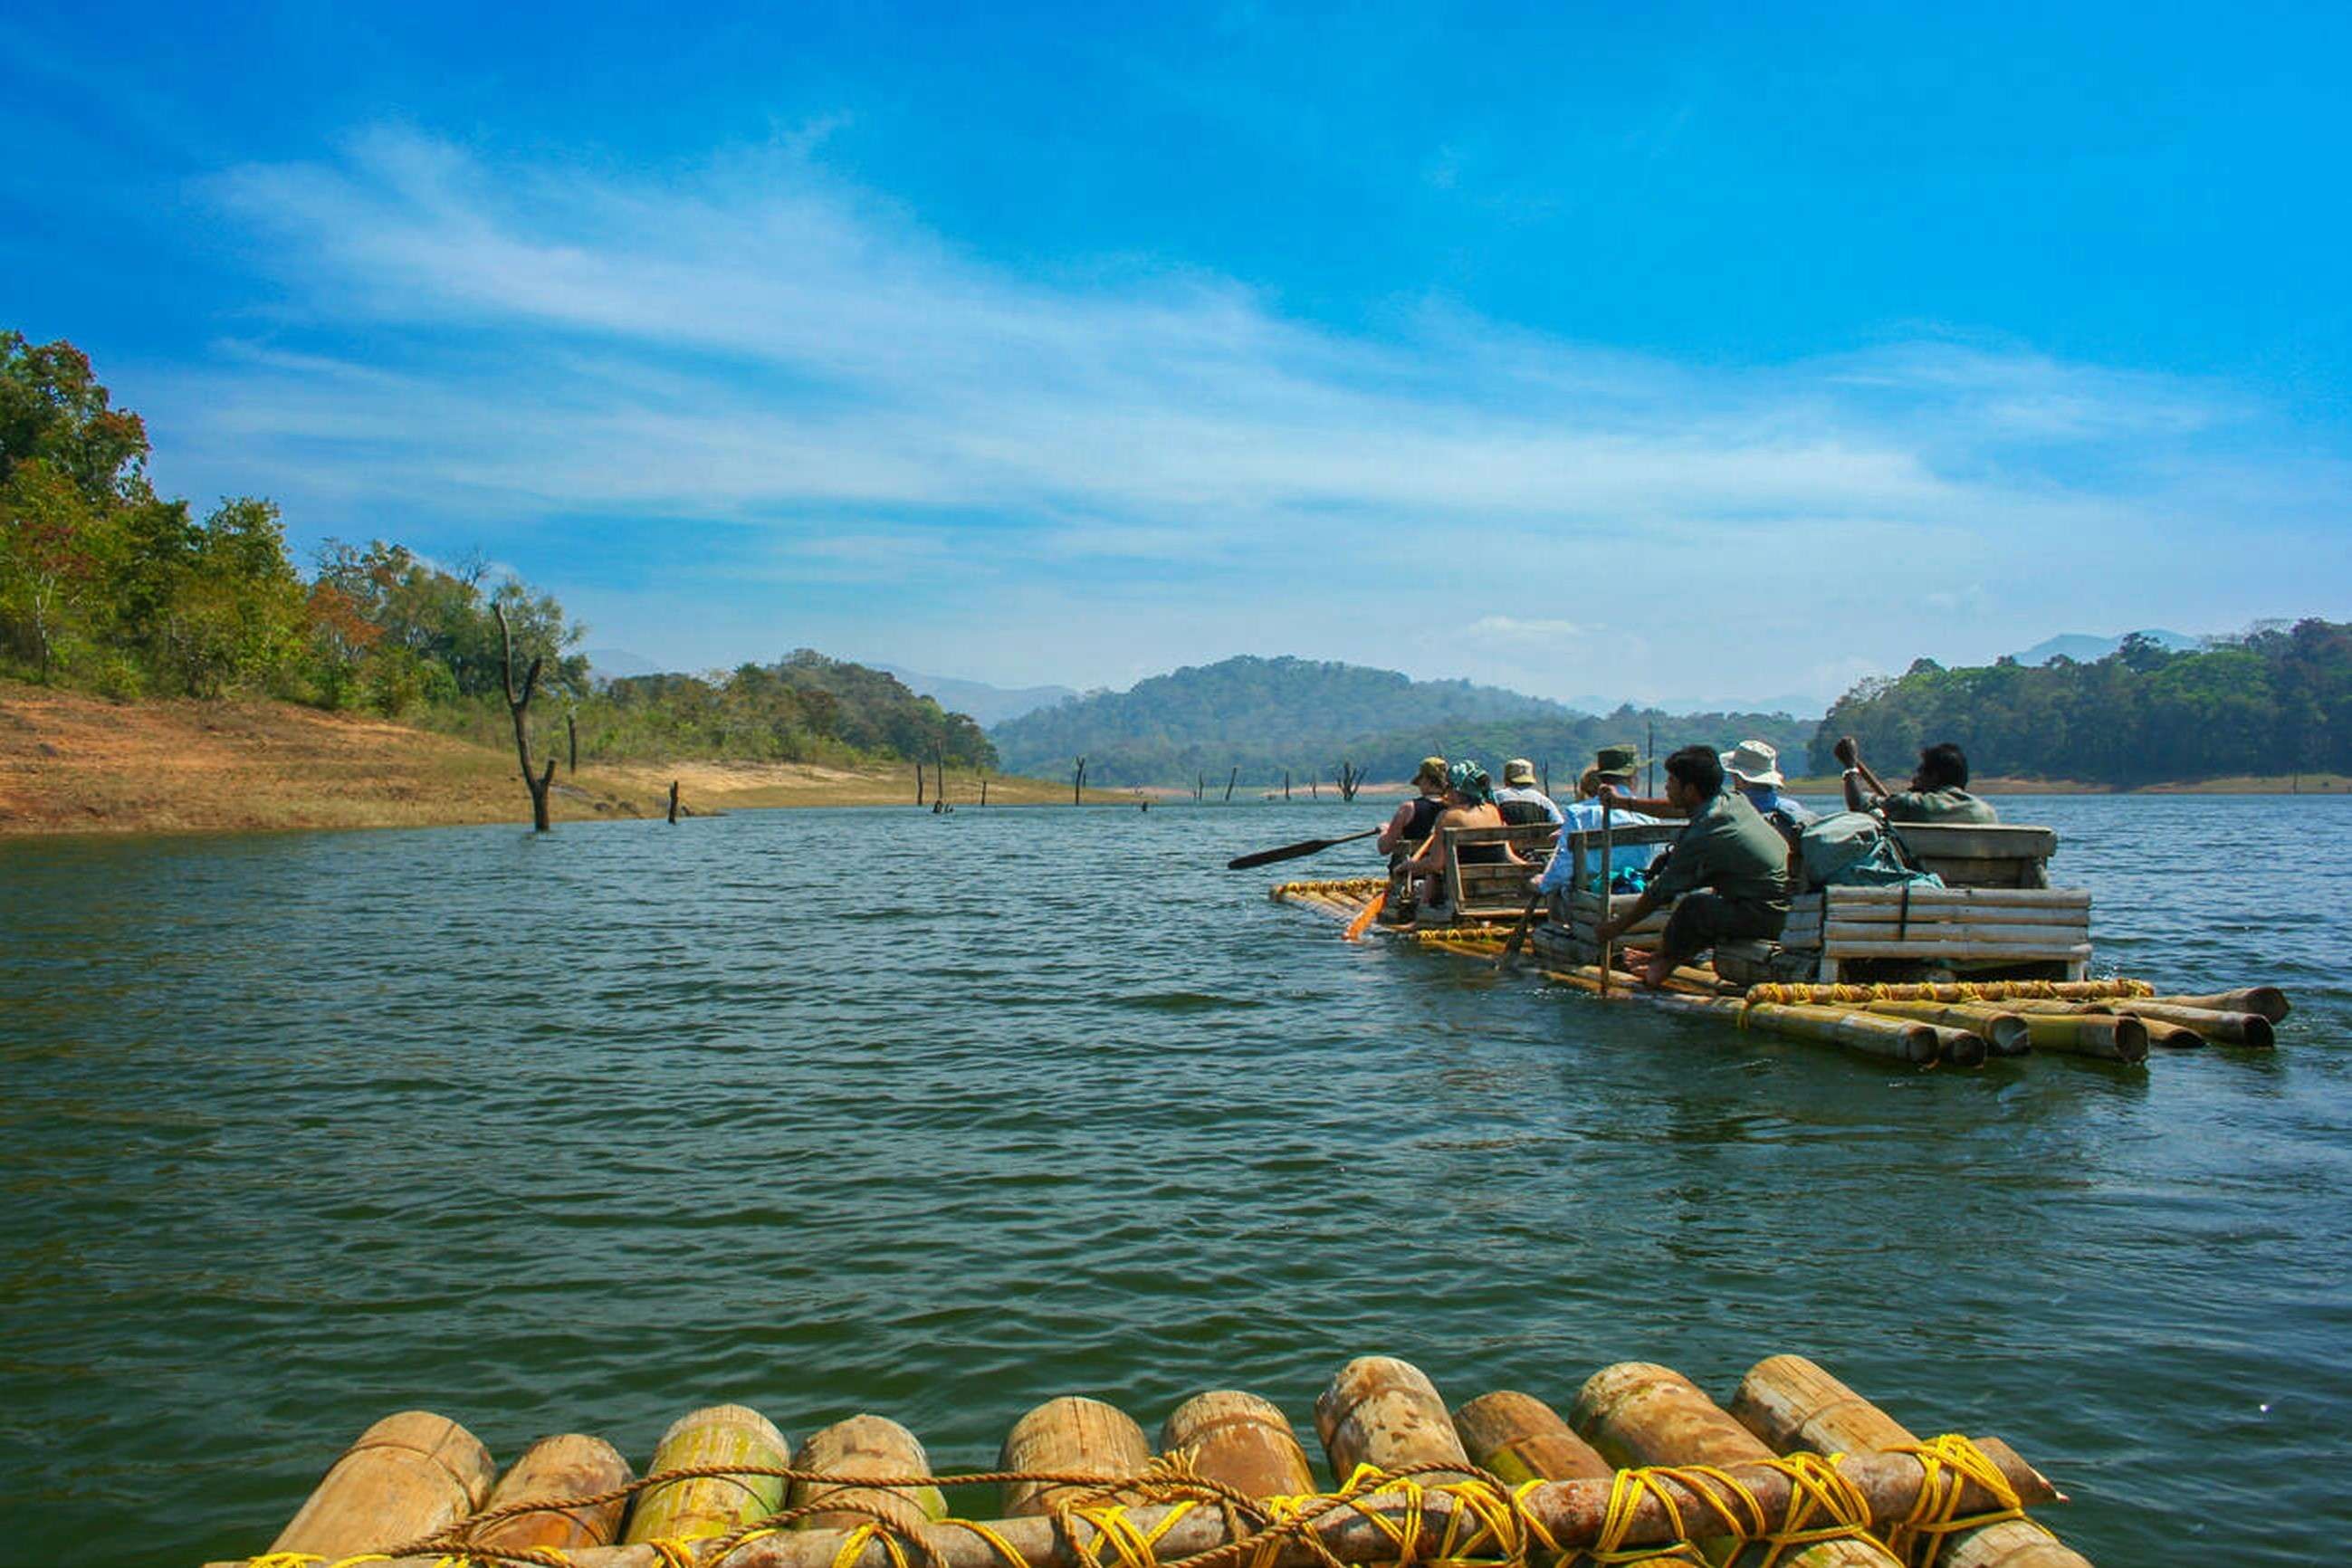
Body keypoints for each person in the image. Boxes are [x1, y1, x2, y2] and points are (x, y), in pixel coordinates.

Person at [1592, 745, 1791, 988]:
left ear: (1691, 789)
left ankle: (1658, 968)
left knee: (1694, 907)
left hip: (1765, 916)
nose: (1666, 786)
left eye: (1672, 781)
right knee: (1703, 900)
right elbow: (1677, 807)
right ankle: (1661, 956)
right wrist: (1623, 803)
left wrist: (1615, 928)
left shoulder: (1706, 832)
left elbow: (1659, 892)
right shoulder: (1732, 801)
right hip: (1776, 906)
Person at [1532, 745, 1664, 902]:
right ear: (1633, 778)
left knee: (1552, 886)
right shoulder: (1650, 816)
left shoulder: (1578, 814)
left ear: (1601, 778)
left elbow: (1563, 867)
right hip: (1638, 893)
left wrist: (1542, 884)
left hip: (1591, 897)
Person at [1401, 760, 1520, 915]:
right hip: (1495, 889)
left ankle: (1420, 916)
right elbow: (1507, 854)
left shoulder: (1447, 817)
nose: (1446, 793)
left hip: (1460, 891)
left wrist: (1407, 866)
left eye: (1448, 788)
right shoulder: (1494, 811)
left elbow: (1435, 864)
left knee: (1432, 875)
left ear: (1457, 790)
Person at [1835, 736, 1999, 824]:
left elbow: (1858, 804)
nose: (1914, 780)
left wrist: (1850, 765)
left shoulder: (1913, 805)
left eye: (1920, 774)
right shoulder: (1988, 813)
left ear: (1934, 777)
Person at [1373, 757, 1449, 922]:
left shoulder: (1409, 808)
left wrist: (1384, 831)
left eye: (1421, 780)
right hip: (1444, 873)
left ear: (1427, 781)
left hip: (1412, 874)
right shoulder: (1455, 808)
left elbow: (1384, 848)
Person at [1494, 759, 1563, 827]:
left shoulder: (1496, 797)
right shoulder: (1542, 800)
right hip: (1538, 838)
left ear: (1506, 779)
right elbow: (1559, 824)